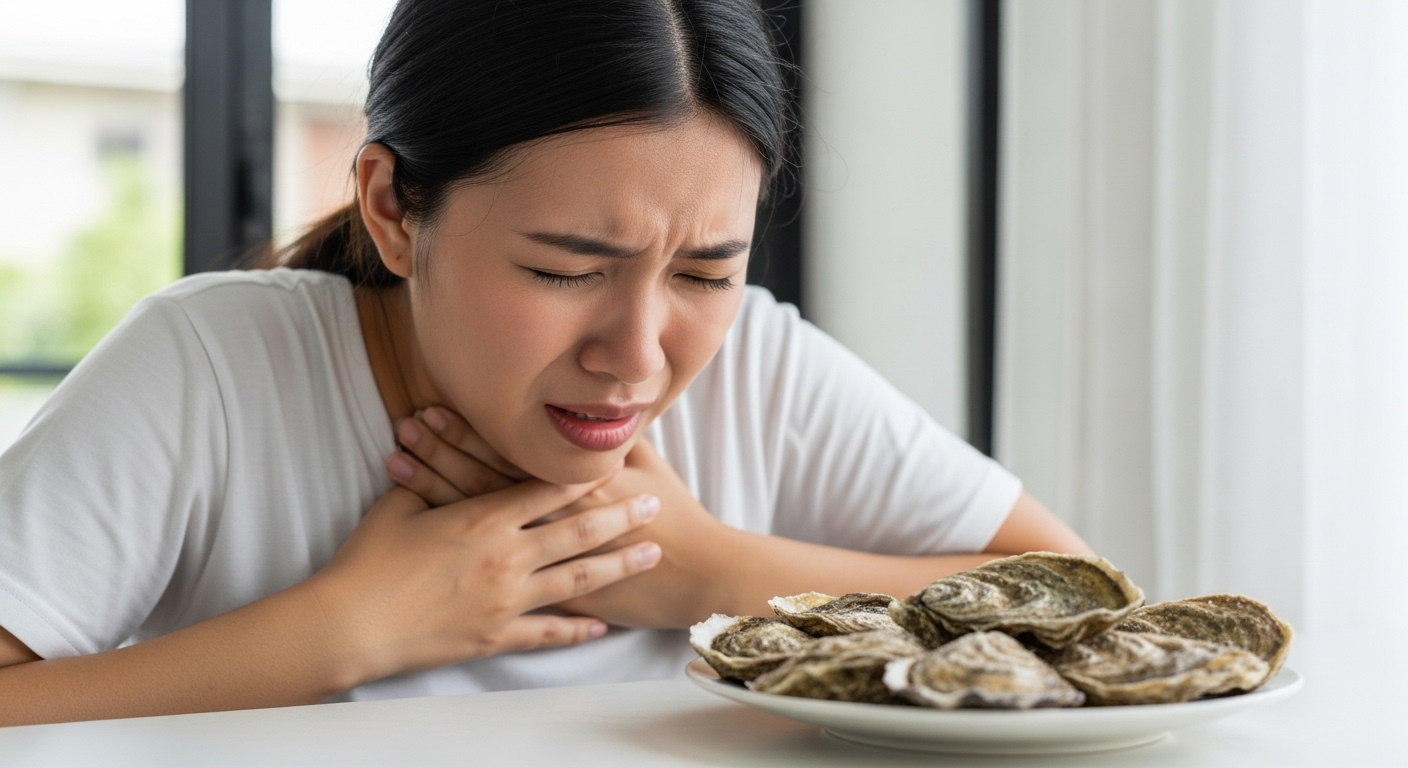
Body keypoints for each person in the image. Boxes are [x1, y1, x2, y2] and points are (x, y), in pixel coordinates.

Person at [0, 0, 1090, 725]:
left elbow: (1085, 610)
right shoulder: (213, 369)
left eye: (704, 272)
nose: (637, 356)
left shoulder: (762, 370)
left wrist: (705, 572)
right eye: (566, 269)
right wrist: (344, 631)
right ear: (392, 210)